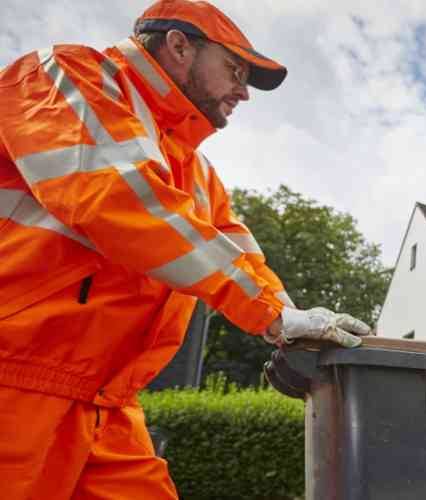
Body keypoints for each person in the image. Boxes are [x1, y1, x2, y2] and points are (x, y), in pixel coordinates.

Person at [0, 1, 370, 497]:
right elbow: (115, 196)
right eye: (234, 70)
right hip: (13, 382)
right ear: (178, 46)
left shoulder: (195, 173)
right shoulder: (66, 75)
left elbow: (239, 254)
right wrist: (268, 313)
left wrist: (292, 319)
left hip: (105, 406)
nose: (243, 91)